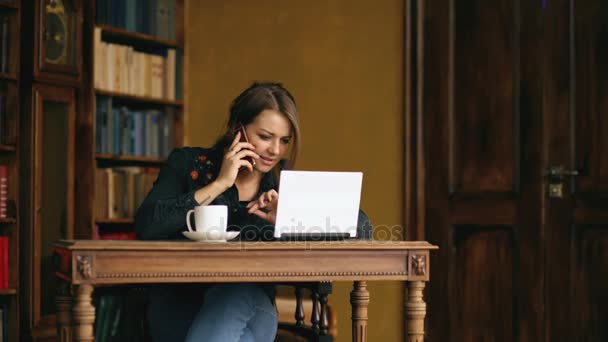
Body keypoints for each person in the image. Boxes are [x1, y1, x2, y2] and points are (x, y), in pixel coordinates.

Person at [135, 82, 372, 342]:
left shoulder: (282, 186)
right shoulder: (186, 164)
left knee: (237, 293)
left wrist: (290, 215)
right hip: (179, 308)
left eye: (284, 141)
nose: (276, 151)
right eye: (265, 137)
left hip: (252, 307)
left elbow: (362, 228)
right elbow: (147, 224)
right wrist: (219, 185)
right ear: (238, 129)